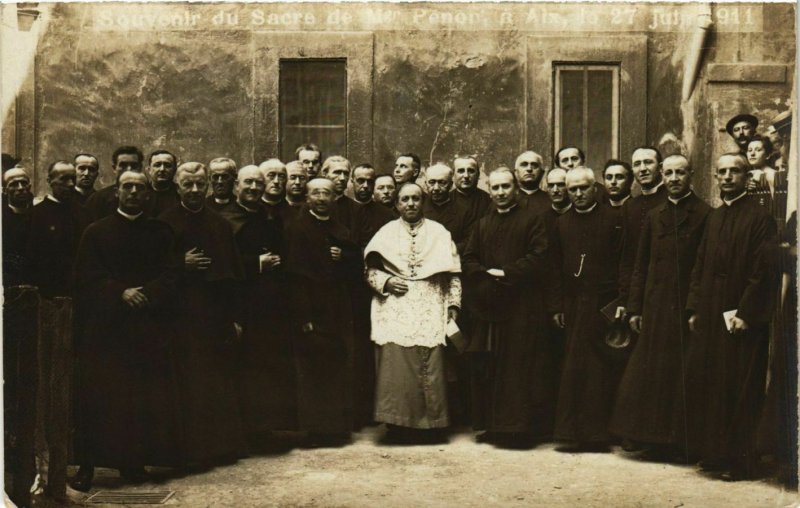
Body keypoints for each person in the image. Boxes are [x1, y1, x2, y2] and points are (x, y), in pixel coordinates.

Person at [71, 170, 182, 491]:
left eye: (140, 188)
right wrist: (120, 292)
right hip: (106, 329)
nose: (133, 192)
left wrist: (147, 293)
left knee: (138, 398)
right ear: (116, 192)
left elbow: (173, 274)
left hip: (145, 326)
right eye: (127, 187)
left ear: (148, 195)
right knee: (98, 397)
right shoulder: (96, 232)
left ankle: (131, 463)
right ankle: (87, 466)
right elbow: (85, 277)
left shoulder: (161, 232)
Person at [683, 153, 779, 480]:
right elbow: (699, 263)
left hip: (740, 314)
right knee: (712, 384)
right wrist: (694, 307)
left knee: (740, 386)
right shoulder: (714, 217)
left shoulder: (760, 218)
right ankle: (715, 454)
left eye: (733, 171)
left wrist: (746, 312)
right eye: (721, 172)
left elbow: (761, 272)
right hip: (711, 311)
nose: (726, 177)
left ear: (745, 175)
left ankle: (740, 462)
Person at [610, 155, 710, 457]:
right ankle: (646, 436)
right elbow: (641, 264)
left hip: (682, 308)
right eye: (669, 173)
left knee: (680, 372)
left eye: (680, 172)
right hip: (653, 306)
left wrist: (693, 308)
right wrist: (635, 307)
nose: (674, 178)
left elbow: (701, 268)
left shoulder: (705, 214)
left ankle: (677, 441)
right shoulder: (655, 215)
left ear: (690, 175)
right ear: (663, 177)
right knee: (648, 372)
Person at [158, 162, 245, 466]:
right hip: (179, 315)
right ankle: (185, 452)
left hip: (214, 314)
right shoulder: (164, 223)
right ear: (178, 187)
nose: (195, 190)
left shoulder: (220, 224)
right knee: (184, 384)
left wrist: (234, 318)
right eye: (188, 185)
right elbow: (153, 270)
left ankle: (218, 448)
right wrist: (181, 264)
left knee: (215, 381)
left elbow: (234, 274)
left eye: (200, 185)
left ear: (207, 186)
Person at [462, 168, 555, 447]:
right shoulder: (482, 223)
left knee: (518, 369)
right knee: (491, 368)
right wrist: (484, 276)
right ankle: (493, 427)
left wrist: (505, 273)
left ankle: (519, 430)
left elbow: (539, 258)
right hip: (489, 307)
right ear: (489, 191)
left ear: (515, 188)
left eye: (506, 187)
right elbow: (469, 258)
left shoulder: (532, 220)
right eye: (496, 188)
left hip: (522, 309)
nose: (501, 193)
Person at [365, 183, 461, 439]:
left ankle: (432, 426)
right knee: (397, 366)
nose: (410, 204)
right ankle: (398, 424)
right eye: (405, 199)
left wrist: (453, 305)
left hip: (430, 303)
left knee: (431, 363)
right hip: (396, 306)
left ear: (423, 202)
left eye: (416, 199)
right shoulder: (385, 232)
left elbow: (454, 275)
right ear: (396, 204)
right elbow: (370, 271)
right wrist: (385, 281)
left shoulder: (439, 232)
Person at [548, 167, 625, 450]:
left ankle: (599, 435)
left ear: (596, 188)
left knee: (600, 370)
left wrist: (619, 304)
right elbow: (554, 268)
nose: (578, 194)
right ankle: (570, 433)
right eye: (572, 190)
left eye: (583, 188)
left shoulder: (614, 220)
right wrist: (556, 306)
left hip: (603, 305)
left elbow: (624, 264)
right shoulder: (562, 223)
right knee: (572, 369)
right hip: (572, 304)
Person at [284, 178, 361, 445]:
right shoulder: (297, 228)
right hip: (312, 309)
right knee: (313, 369)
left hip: (337, 308)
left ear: (333, 198)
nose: (320, 197)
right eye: (315, 192)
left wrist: (344, 258)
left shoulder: (342, 229)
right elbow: (295, 276)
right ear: (307, 198)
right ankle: (316, 429)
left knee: (337, 367)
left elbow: (355, 270)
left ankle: (337, 428)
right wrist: (304, 317)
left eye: (325, 193)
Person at [227, 165, 295, 438]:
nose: (254, 188)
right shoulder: (225, 221)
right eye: (248, 183)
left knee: (264, 367)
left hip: (268, 307)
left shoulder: (268, 219)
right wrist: (257, 264)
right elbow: (224, 264)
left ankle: (262, 428)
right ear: (236, 187)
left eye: (258, 183)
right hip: (240, 304)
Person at [27, 161, 88, 298]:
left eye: (73, 178)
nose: (71, 184)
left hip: (80, 289)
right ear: (50, 181)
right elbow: (32, 257)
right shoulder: (36, 214)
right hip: (47, 291)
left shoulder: (83, 213)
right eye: (64, 179)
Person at [618, 147, 667, 308]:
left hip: (664, 290)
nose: (643, 169)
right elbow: (627, 256)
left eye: (648, 162)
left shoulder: (670, 199)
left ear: (660, 168)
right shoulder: (630, 206)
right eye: (637, 164)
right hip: (637, 291)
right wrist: (625, 298)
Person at [85, 145, 144, 221]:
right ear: (114, 168)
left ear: (140, 167)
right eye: (123, 165)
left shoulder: (149, 196)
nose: (129, 169)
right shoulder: (97, 199)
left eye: (134, 165)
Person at [422, 163, 471, 252]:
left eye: (442, 182)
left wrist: (447, 250)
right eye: (432, 182)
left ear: (451, 185)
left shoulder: (464, 211)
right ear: (425, 184)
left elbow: (468, 241)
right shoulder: (418, 209)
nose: (436, 188)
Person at [745, 135, 788, 233]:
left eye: (758, 150)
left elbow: (777, 203)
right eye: (749, 150)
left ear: (768, 155)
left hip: (768, 226)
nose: (752, 154)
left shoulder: (773, 175)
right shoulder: (747, 176)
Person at [2, 167, 33, 286]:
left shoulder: (39, 214)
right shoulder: (3, 218)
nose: (20, 188)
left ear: (29, 186)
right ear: (5, 190)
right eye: (14, 184)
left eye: (24, 183)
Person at [451, 155, 490, 229]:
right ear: (453, 175)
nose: (466, 175)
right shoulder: (445, 200)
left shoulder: (489, 201)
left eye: (471, 171)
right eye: (461, 171)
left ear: (478, 174)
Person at [321, 155, 357, 226]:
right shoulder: (312, 205)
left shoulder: (356, 209)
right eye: (337, 172)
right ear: (325, 174)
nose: (342, 178)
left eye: (346, 173)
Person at [142, 150, 180, 217]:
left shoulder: (180, 193)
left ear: (175, 170)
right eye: (157, 165)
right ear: (149, 170)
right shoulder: (141, 192)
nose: (162, 169)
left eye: (167, 165)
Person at [514, 150, 549, 215]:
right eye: (524, 165)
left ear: (542, 173)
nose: (529, 169)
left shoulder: (550, 201)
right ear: (516, 172)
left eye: (534, 165)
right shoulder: (509, 200)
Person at [259, 158, 293, 224]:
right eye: (271, 175)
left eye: (281, 176)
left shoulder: (292, 213)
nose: (276, 181)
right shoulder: (252, 209)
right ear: (261, 179)